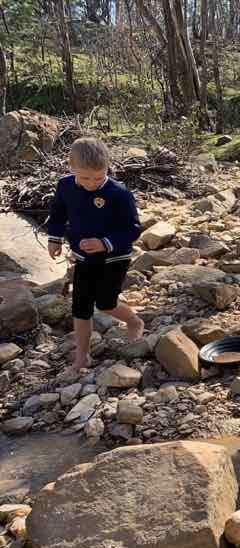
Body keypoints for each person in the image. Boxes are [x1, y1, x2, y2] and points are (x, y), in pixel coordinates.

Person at [46, 137, 144, 373]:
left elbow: (133, 228)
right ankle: (82, 357)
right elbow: (58, 212)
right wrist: (55, 238)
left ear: (107, 168)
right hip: (83, 257)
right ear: (71, 165)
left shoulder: (119, 193)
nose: (91, 183)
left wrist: (104, 243)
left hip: (114, 257)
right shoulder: (66, 185)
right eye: (85, 177)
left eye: (98, 178)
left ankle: (134, 321)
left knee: (106, 302)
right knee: (80, 306)